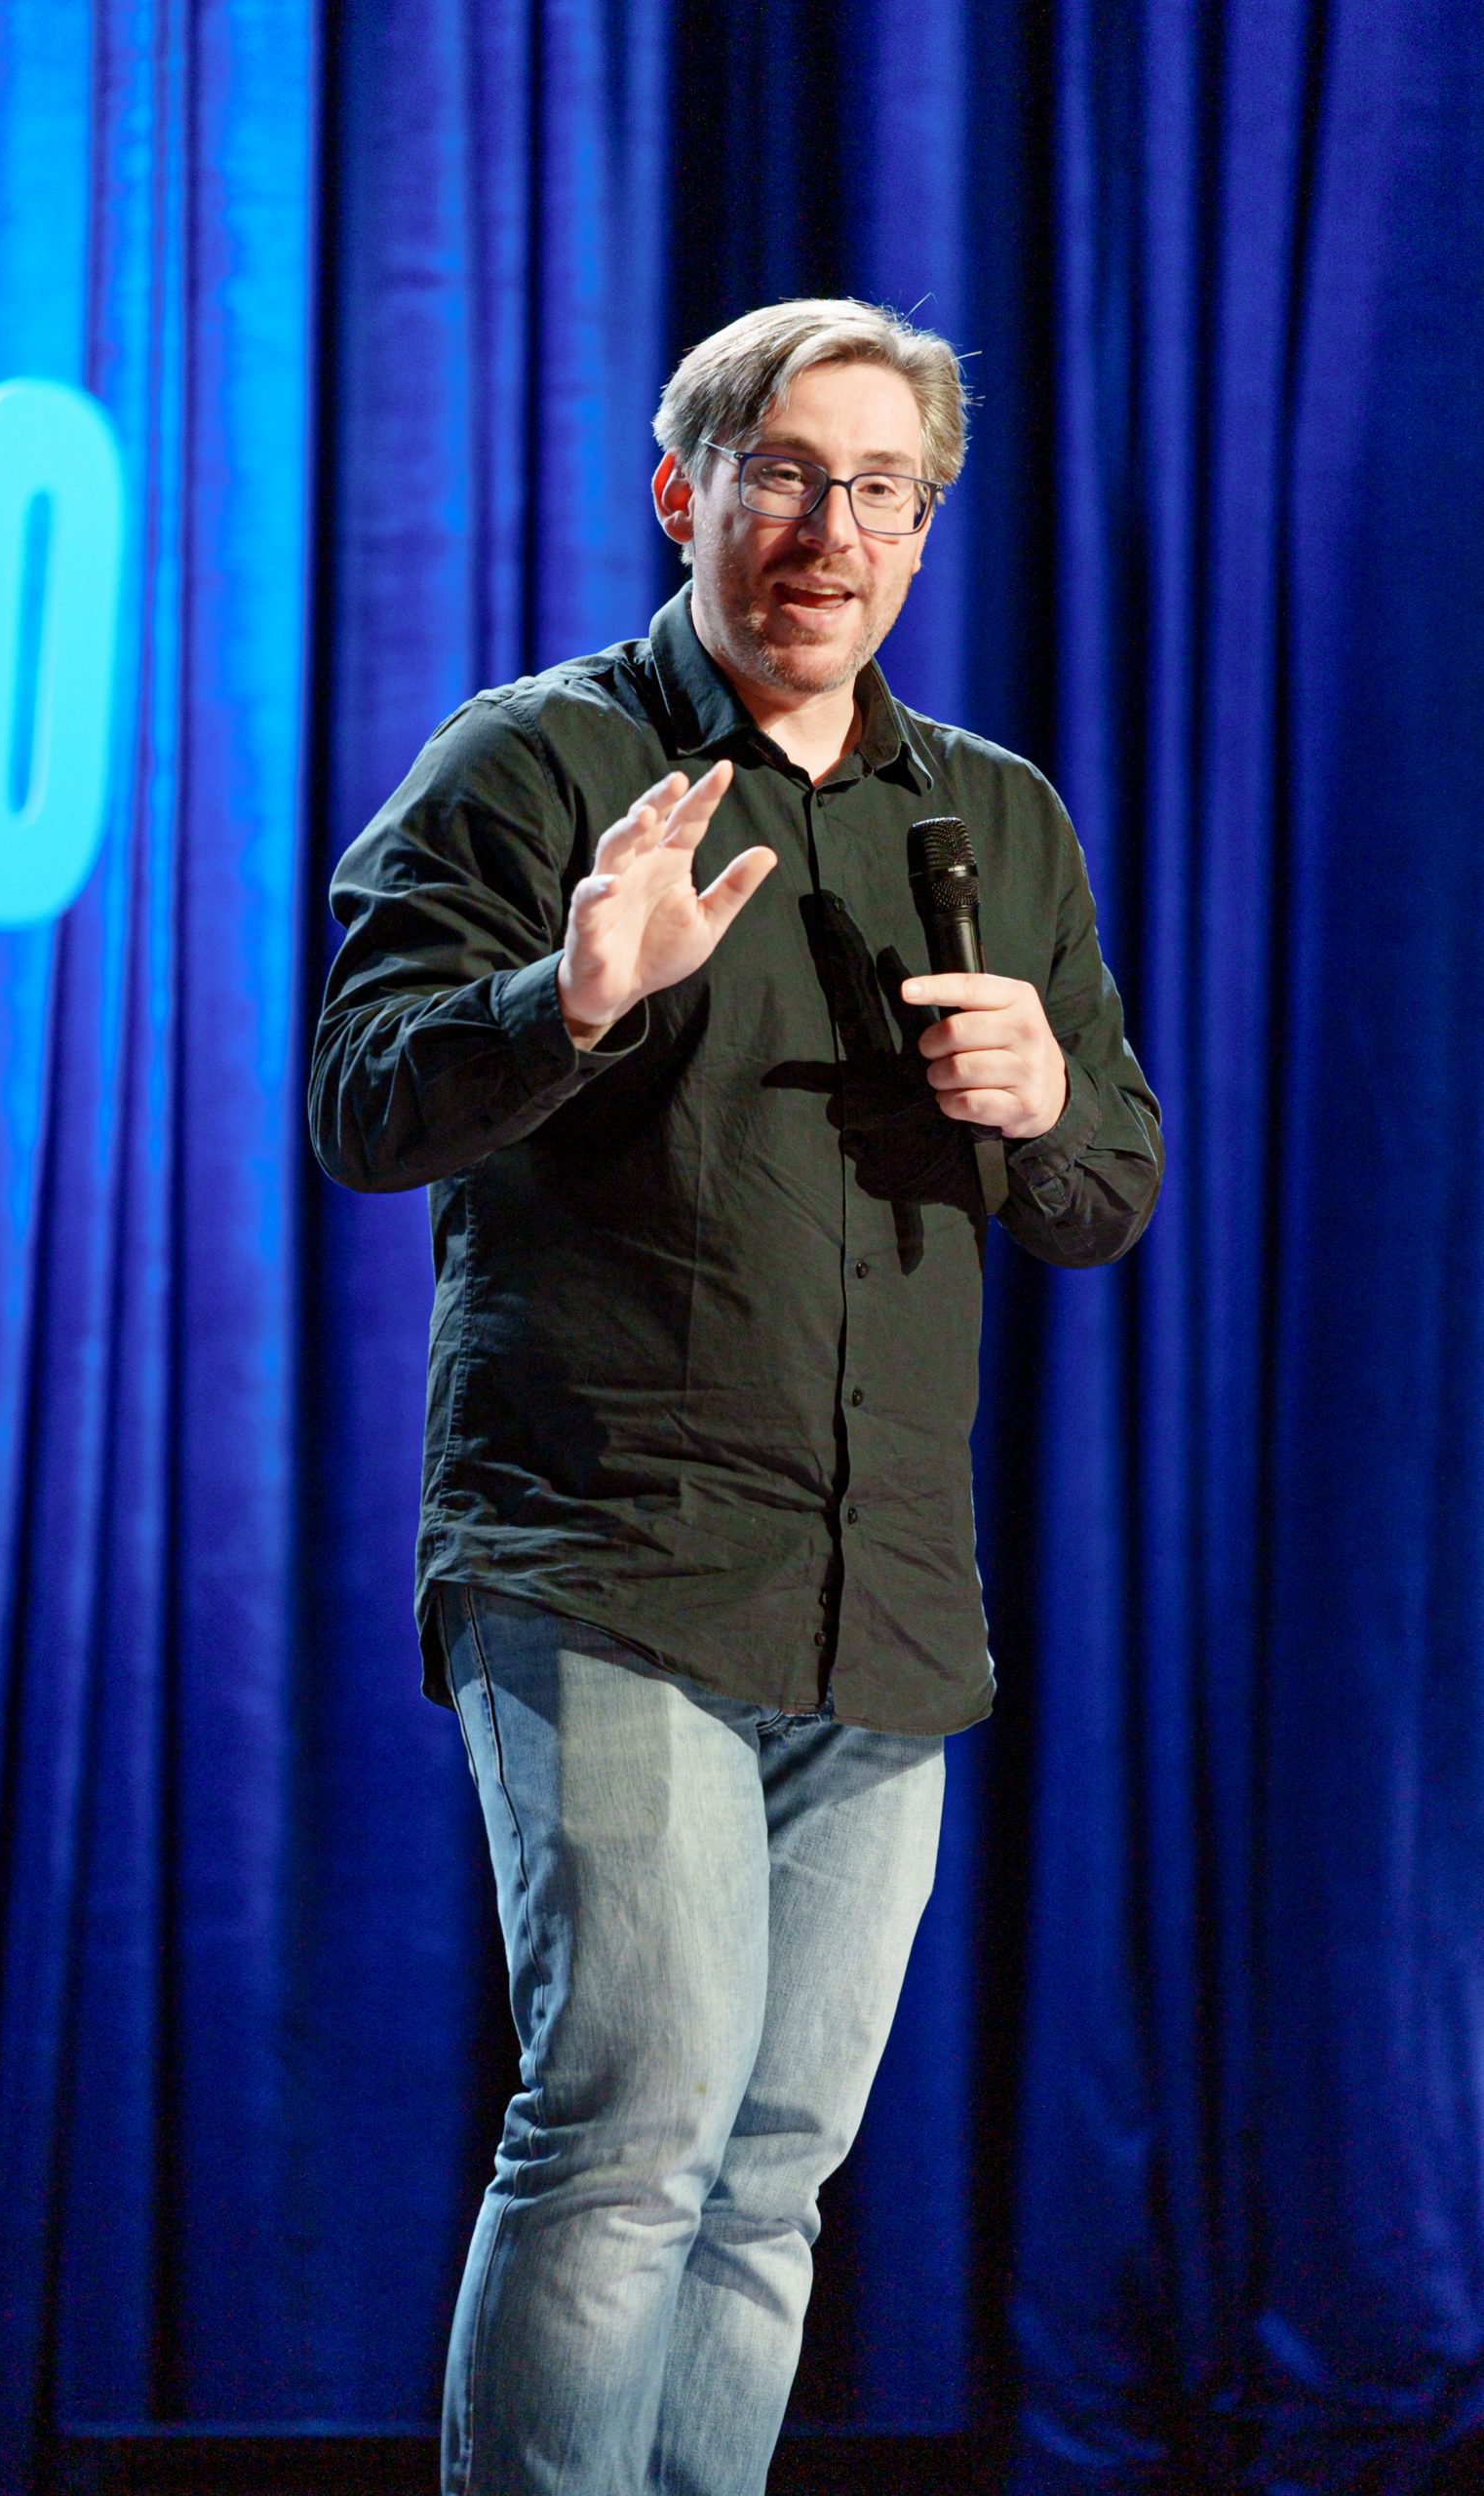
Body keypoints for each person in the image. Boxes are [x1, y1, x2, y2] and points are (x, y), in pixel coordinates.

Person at [309, 298, 1162, 2496]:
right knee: (630, 2128)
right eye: (786, 473)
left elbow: (1108, 1188)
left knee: (774, 2173)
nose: (832, 530)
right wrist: (564, 991)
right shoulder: (536, 764)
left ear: (923, 532)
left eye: (884, 491)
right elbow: (362, 1101)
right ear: (684, 492)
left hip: (878, 1598)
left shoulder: (996, 811)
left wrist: (1050, 1102)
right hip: (604, 1559)